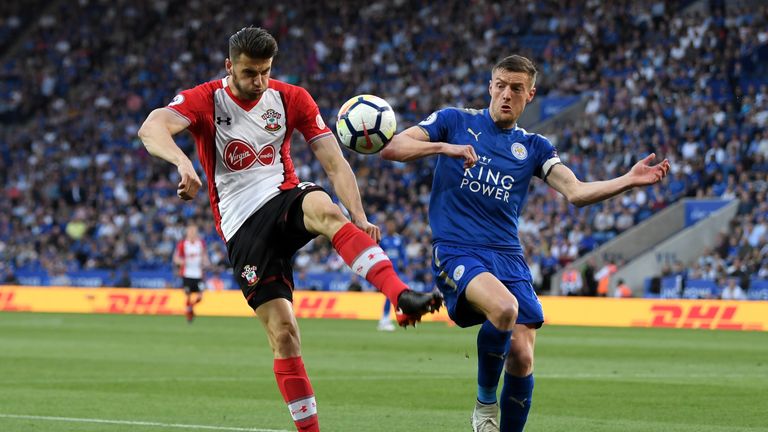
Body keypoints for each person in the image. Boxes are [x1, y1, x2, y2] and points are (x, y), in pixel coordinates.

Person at [137, 26, 441, 432]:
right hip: (242, 226)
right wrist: (182, 162)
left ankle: (400, 294)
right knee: (285, 335)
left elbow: (334, 162)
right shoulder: (205, 99)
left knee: (325, 209)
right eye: (249, 73)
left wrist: (360, 215)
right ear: (229, 66)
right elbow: (151, 127)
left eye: (265, 72)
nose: (259, 82)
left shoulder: (292, 98)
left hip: (284, 196)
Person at [381, 54, 670, 432]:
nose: (506, 94)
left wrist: (627, 181)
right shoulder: (454, 121)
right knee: (504, 309)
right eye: (500, 85)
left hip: (508, 256)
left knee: (521, 356)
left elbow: (577, 191)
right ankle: (485, 407)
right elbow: (394, 147)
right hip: (457, 248)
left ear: (530, 94)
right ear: (490, 86)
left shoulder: (534, 147)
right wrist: (444, 148)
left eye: (516, 88)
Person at [173, 224, 210, 322]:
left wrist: (206, 263)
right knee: (188, 295)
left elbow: (204, 255)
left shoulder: (200, 243)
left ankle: (190, 308)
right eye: (191, 232)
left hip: (198, 274)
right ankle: (189, 314)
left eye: (195, 232)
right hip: (187, 274)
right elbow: (176, 258)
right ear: (187, 233)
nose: (193, 234)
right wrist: (182, 262)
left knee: (200, 296)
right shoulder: (182, 244)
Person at [377, 218, 409, 331]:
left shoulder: (398, 240)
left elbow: (403, 255)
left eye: (392, 225)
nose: (390, 227)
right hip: (386, 272)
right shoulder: (383, 240)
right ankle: (384, 319)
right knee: (390, 295)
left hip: (397, 272)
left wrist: (406, 266)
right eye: (388, 225)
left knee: (396, 295)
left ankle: (387, 318)